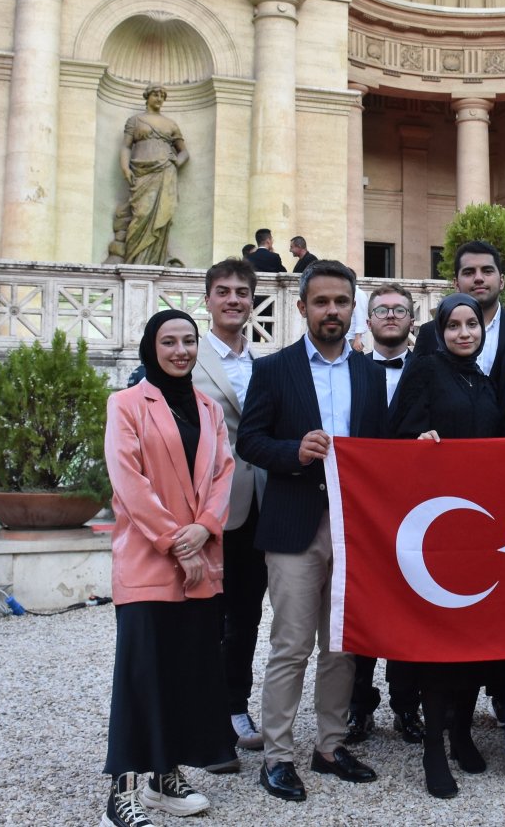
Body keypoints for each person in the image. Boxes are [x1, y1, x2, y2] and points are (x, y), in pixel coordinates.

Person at [236, 261, 387, 803]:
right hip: (294, 524)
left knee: (341, 645)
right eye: (321, 302)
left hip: (354, 529)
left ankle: (330, 745)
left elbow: (383, 449)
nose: (331, 311)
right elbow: (249, 441)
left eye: (341, 302)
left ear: (353, 308)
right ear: (302, 308)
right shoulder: (274, 369)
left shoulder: (370, 374)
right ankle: (277, 756)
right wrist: (293, 452)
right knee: (291, 644)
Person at [100, 309, 237, 827]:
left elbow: (224, 472)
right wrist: (180, 543)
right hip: (149, 561)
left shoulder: (209, 409)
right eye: (169, 341)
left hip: (203, 560)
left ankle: (165, 777)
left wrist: (205, 527)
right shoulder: (127, 403)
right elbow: (128, 480)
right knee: (141, 675)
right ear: (150, 347)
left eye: (188, 341)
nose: (180, 350)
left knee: (186, 671)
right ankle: (123, 791)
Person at [387, 293, 505, 798]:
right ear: (438, 330)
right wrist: (421, 441)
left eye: (471, 324)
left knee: (476, 634)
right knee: (440, 639)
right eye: (454, 325)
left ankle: (461, 732)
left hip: (480, 527)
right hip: (436, 527)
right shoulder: (425, 371)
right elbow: (394, 435)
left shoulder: (483, 379)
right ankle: (433, 746)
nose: (463, 332)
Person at [191, 259, 267, 764]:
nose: (234, 299)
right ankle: (205, 716)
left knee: (246, 613)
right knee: (209, 616)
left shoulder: (266, 362)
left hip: (264, 503)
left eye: (242, 291)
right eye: (224, 291)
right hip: (211, 505)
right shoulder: (190, 358)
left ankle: (237, 705)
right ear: (208, 299)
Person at [346, 283, 424, 747]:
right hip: (364, 511)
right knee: (362, 608)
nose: (390, 316)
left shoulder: (430, 370)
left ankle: (407, 705)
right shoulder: (350, 371)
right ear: (369, 321)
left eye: (399, 309)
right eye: (381, 310)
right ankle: (358, 707)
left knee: (411, 608)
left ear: (413, 319)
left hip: (415, 510)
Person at [413, 240, 505, 405]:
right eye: (469, 272)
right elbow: (415, 395)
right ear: (456, 284)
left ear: (501, 281)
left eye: (487, 271)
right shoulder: (430, 332)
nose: (478, 278)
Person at [115, 85, 188, 266]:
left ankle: (156, 261)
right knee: (141, 214)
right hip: (141, 172)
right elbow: (125, 146)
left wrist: (176, 162)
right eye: (156, 94)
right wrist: (125, 169)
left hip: (165, 172)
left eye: (162, 95)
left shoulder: (171, 124)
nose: (159, 98)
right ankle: (135, 262)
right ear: (147, 97)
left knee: (162, 215)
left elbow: (184, 152)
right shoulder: (135, 120)